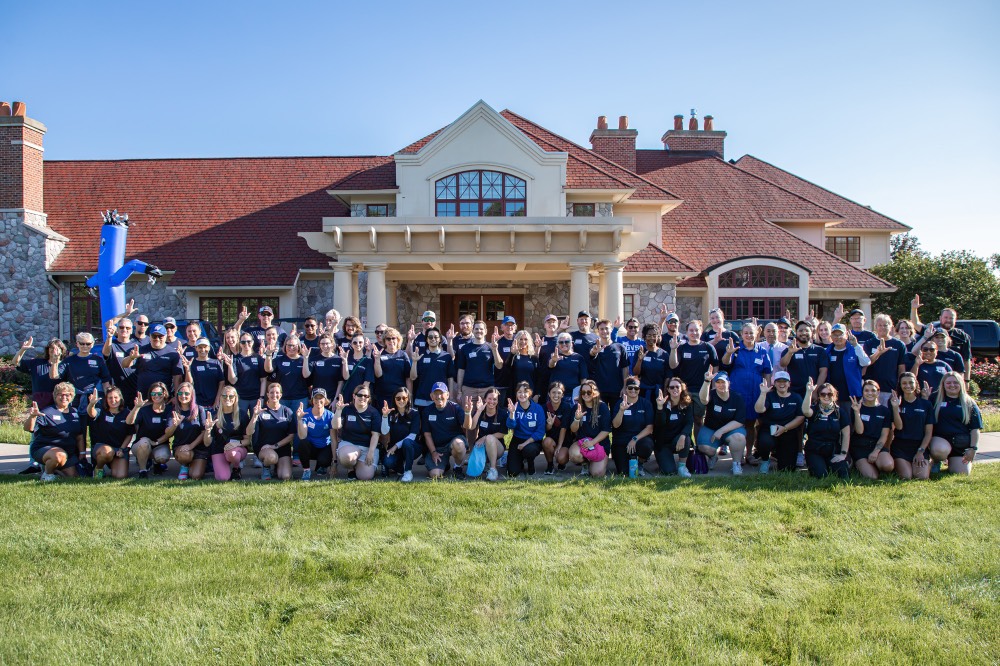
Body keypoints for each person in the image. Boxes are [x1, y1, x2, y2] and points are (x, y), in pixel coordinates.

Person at [722, 321, 772, 463]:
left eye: (751, 333)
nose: (749, 335)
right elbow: (725, 363)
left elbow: (767, 372)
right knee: (735, 422)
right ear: (741, 335)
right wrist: (728, 353)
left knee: (750, 424)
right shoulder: (736, 349)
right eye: (746, 333)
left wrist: (766, 391)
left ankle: (748, 454)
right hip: (737, 393)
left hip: (754, 394)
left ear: (756, 334)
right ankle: (735, 455)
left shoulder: (762, 351)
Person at [25, 382, 85, 481]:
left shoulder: (75, 413)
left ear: (72, 396)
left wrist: (82, 453)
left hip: (68, 453)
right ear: (55, 396)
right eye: (60, 394)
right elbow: (29, 429)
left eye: (67, 394)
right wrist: (32, 416)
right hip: (44, 449)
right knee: (59, 455)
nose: (64, 397)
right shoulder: (47, 412)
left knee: (73, 477)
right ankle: (47, 475)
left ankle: (52, 469)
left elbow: (79, 436)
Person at [669, 320, 718, 435]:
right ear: (686, 332)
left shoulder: (708, 347)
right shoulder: (682, 348)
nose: (694, 332)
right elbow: (673, 365)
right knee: (683, 420)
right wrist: (673, 349)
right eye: (691, 330)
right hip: (684, 391)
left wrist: (714, 387)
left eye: (696, 330)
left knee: (698, 419)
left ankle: (698, 449)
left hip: (701, 390)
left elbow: (715, 367)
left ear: (701, 331)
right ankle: (684, 446)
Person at [928, 372, 981, 475]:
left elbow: (975, 429)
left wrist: (973, 448)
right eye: (948, 383)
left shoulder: (969, 403)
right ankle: (936, 461)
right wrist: (925, 399)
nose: (952, 385)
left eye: (955, 382)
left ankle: (953, 461)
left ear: (961, 384)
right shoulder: (934, 398)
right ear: (943, 384)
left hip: (960, 444)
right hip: (940, 441)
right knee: (939, 450)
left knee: (962, 473)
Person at [697, 371, 748, 474]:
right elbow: (703, 400)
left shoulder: (737, 397)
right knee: (704, 447)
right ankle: (713, 456)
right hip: (711, 428)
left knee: (738, 438)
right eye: (718, 382)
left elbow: (739, 421)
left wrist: (721, 430)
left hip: (732, 429)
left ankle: (736, 464)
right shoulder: (711, 394)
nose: (720, 385)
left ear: (728, 383)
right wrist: (707, 381)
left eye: (723, 382)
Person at [910, 295, 972, 380]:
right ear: (940, 318)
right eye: (946, 317)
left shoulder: (963, 336)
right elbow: (916, 323)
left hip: (951, 380)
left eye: (951, 318)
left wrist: (966, 380)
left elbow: (966, 359)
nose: (948, 320)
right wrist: (914, 309)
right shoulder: (932, 330)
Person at [753, 371, 804, 473]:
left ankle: (781, 457)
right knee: (765, 442)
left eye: (784, 381)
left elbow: (800, 417)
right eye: (778, 381)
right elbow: (759, 409)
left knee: (787, 469)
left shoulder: (796, 397)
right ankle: (765, 460)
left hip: (788, 431)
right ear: (774, 383)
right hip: (769, 430)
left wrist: (785, 428)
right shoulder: (770, 396)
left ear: (789, 383)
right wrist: (763, 393)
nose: (782, 384)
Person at [421, 383, 473, 479]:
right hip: (438, 448)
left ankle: (457, 467)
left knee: (459, 445)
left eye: (442, 393)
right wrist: (433, 452)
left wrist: (468, 412)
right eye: (436, 393)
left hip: (454, 443)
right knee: (435, 475)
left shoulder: (455, 408)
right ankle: (445, 464)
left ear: (448, 395)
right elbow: (427, 434)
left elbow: (468, 426)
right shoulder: (427, 411)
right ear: (431, 396)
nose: (439, 396)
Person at [801, 382, 851, 480]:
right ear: (819, 396)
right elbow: (805, 411)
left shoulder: (840, 412)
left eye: (830, 394)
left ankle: (829, 465)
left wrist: (843, 454)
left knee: (844, 475)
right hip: (815, 450)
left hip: (833, 450)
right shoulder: (814, 410)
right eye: (823, 394)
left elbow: (846, 434)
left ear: (834, 395)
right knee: (821, 476)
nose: (826, 396)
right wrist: (809, 392)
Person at [889, 373, 934, 481]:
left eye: (911, 382)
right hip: (901, 446)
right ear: (900, 385)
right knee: (906, 476)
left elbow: (928, 432)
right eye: (904, 383)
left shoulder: (925, 404)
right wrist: (895, 408)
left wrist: (920, 451)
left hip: (919, 446)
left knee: (921, 477)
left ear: (916, 384)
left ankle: (931, 463)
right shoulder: (895, 402)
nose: (907, 386)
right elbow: (898, 427)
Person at [332, 385, 382, 480]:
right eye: (359, 395)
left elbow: (375, 435)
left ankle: (360, 465)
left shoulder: (374, 412)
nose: (362, 398)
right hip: (349, 444)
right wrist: (338, 411)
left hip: (367, 447)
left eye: (366, 396)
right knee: (347, 458)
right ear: (354, 396)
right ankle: (350, 469)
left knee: (366, 476)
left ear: (369, 398)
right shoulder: (346, 409)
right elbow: (335, 426)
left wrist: (371, 452)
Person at [246, 383, 296, 481]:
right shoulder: (261, 411)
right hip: (265, 448)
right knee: (271, 457)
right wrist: (255, 416)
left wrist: (275, 446)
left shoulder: (287, 411)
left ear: (281, 395)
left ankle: (277, 467)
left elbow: (291, 436)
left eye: (277, 392)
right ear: (267, 394)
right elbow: (248, 432)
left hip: (281, 448)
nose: (274, 395)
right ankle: (266, 467)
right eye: (271, 392)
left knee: (285, 477)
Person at [126, 382, 175, 478]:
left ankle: (157, 464)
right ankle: (143, 470)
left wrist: (156, 442)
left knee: (163, 457)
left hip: (159, 443)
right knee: (144, 442)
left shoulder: (169, 410)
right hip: (141, 444)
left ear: (164, 394)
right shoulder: (144, 410)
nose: (156, 396)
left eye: (159, 394)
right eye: (153, 394)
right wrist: (136, 407)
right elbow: (129, 422)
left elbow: (169, 433)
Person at [848, 380, 894, 479]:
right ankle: (860, 465)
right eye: (866, 390)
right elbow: (859, 431)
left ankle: (877, 463)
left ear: (878, 392)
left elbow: (884, 435)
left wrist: (875, 452)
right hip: (860, 446)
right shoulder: (856, 408)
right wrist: (857, 412)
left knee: (888, 466)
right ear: (863, 392)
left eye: (873, 390)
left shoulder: (885, 411)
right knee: (872, 477)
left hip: (877, 446)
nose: (870, 393)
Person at [122, 324, 183, 397]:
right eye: (154, 336)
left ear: (165, 336)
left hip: (163, 397)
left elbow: (177, 377)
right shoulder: (141, 350)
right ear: (150, 336)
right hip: (143, 396)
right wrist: (131, 358)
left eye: (160, 336)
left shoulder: (173, 353)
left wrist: (176, 397)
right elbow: (124, 365)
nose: (157, 339)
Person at [611, 376, 655, 476]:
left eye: (636, 388)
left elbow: (649, 428)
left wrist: (634, 439)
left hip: (639, 439)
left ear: (639, 390)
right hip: (622, 441)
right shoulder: (619, 403)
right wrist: (621, 411)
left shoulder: (646, 404)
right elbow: (615, 425)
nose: (633, 390)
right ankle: (630, 458)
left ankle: (640, 462)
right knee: (623, 473)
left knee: (646, 446)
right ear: (625, 389)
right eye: (630, 388)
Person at [86, 387, 133, 479]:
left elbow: (129, 434)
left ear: (120, 399)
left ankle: (112, 464)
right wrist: (91, 404)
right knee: (107, 452)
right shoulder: (101, 411)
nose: (113, 400)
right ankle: (98, 469)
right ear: (106, 400)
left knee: (120, 476)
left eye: (116, 397)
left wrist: (121, 449)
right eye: (110, 398)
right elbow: (92, 414)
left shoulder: (127, 413)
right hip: (102, 448)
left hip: (118, 449)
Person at [568, 379, 610, 478]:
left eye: (589, 392)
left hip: (599, 443)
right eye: (583, 392)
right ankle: (585, 464)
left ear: (594, 393)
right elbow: (573, 430)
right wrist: (577, 419)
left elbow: (606, 430)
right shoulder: (577, 408)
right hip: (582, 442)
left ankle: (595, 463)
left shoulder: (602, 407)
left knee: (597, 474)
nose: (585, 394)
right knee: (574, 455)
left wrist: (593, 442)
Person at [205, 385, 248, 481]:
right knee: (222, 478)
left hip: (236, 448)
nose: (227, 398)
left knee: (232, 454)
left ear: (235, 398)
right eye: (224, 396)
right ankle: (226, 467)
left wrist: (236, 444)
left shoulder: (242, 414)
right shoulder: (214, 415)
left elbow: (248, 440)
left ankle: (236, 468)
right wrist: (208, 430)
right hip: (219, 449)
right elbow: (207, 443)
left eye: (231, 396)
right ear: (220, 397)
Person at [166, 381, 207, 480]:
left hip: (197, 448)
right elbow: (168, 433)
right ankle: (184, 466)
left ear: (192, 395)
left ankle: (194, 465)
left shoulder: (199, 409)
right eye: (180, 393)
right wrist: (174, 426)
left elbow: (203, 432)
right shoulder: (173, 411)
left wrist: (191, 446)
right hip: (181, 448)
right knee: (185, 455)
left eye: (186, 393)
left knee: (196, 476)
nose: (183, 396)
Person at [505, 382, 547, 478]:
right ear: (516, 394)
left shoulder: (538, 408)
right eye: (519, 392)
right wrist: (512, 414)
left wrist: (525, 444)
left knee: (529, 450)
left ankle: (530, 462)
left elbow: (540, 432)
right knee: (512, 473)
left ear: (529, 394)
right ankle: (520, 461)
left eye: (525, 392)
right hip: (517, 439)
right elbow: (511, 426)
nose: (522, 394)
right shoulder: (514, 407)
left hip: (533, 441)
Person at [14, 337, 69, 409]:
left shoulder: (65, 365)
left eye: (57, 348)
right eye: (52, 348)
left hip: (59, 402)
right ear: (48, 350)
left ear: (62, 351)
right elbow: (16, 362)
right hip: (40, 403)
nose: (54, 350)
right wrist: (23, 349)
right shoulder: (37, 363)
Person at [862, 315, 906, 405]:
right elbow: (865, 364)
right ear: (876, 327)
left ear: (891, 327)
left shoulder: (899, 344)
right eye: (880, 325)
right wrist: (878, 353)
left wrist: (899, 387)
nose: (882, 327)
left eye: (885, 325)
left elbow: (901, 368)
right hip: (871, 389)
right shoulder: (869, 343)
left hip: (891, 389)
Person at [653, 379, 694, 477]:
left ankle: (682, 467)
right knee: (669, 471)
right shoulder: (662, 402)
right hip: (663, 443)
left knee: (686, 438)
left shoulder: (687, 404)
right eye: (672, 387)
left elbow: (689, 423)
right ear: (668, 389)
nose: (675, 389)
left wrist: (683, 435)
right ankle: (664, 459)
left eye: (677, 387)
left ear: (681, 389)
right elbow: (659, 424)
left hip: (678, 439)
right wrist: (660, 408)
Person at [467, 387, 509, 481]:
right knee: (473, 472)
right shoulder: (480, 411)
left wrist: (485, 437)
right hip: (481, 446)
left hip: (498, 447)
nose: (492, 401)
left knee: (490, 438)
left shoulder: (502, 414)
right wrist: (478, 411)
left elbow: (502, 434)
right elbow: (472, 427)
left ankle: (493, 469)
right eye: (489, 399)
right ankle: (485, 464)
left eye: (495, 399)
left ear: (498, 401)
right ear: (485, 399)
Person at [455, 320, 502, 404]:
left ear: (485, 331)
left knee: (486, 415)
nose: (479, 331)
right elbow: (461, 370)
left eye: (481, 329)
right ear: (473, 330)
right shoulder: (465, 348)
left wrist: (495, 350)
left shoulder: (491, 347)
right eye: (476, 329)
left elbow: (499, 366)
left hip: (487, 389)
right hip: (469, 389)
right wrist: (459, 391)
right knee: (468, 415)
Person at [380, 387, 421, 482]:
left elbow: (413, 436)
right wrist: (385, 416)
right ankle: (400, 467)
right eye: (398, 398)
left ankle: (408, 471)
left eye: (404, 398)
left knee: (407, 442)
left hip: (412, 447)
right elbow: (384, 432)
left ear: (408, 399)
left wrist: (396, 446)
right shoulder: (391, 413)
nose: (401, 400)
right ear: (394, 399)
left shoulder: (414, 413)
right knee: (388, 462)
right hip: (396, 450)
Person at [824, 324, 870, 407]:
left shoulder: (854, 349)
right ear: (831, 336)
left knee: (849, 419)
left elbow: (866, 362)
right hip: (831, 395)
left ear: (846, 335)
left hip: (851, 395)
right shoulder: (827, 351)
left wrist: (856, 345)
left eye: (840, 334)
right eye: (835, 335)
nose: (837, 337)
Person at [296, 388, 336, 481]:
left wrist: (334, 462)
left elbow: (334, 439)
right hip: (311, 447)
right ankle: (306, 470)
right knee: (302, 443)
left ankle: (322, 466)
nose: (318, 400)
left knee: (324, 459)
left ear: (325, 400)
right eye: (316, 398)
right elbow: (302, 436)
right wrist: (299, 420)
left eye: (321, 398)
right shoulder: (305, 414)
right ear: (312, 400)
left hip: (324, 446)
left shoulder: (330, 415)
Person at [780, 320, 829, 396]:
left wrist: (816, 391)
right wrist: (790, 353)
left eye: (806, 330)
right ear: (796, 332)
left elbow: (823, 372)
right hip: (793, 393)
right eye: (800, 330)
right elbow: (783, 364)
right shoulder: (789, 349)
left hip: (813, 393)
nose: (803, 333)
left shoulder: (820, 350)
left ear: (812, 332)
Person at [65, 332, 111, 408]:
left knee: (94, 418)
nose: (85, 346)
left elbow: (106, 382)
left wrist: (108, 400)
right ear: (77, 344)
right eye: (82, 343)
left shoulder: (99, 360)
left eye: (88, 344)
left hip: (95, 395)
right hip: (75, 397)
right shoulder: (69, 360)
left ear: (92, 344)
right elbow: (57, 377)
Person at [410, 327, 453, 409]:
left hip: (441, 399)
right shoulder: (420, 356)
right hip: (422, 400)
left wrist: (450, 396)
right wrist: (414, 362)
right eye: (430, 337)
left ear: (440, 339)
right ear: (426, 339)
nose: (433, 339)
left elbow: (450, 378)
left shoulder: (446, 356)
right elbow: (412, 377)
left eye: (436, 337)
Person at [229, 331, 267, 420]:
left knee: (256, 422)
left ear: (253, 342)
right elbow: (233, 381)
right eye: (243, 342)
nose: (246, 344)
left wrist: (261, 397)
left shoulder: (258, 358)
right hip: (241, 398)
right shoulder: (236, 359)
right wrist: (230, 366)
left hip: (256, 397)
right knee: (240, 422)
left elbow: (263, 380)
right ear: (240, 343)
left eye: (249, 341)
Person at [590, 319, 629, 407]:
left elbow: (625, 368)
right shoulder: (594, 347)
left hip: (617, 390)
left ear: (611, 329)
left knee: (615, 417)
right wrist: (594, 352)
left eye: (607, 328)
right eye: (601, 329)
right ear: (598, 331)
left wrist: (624, 386)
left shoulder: (620, 347)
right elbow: (591, 354)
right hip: (599, 390)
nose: (604, 331)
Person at [103, 317, 140, 408]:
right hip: (116, 391)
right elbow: (106, 353)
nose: (124, 330)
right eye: (121, 327)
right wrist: (109, 337)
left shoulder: (137, 345)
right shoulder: (112, 344)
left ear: (131, 330)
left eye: (127, 328)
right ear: (117, 329)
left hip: (134, 388)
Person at [373, 327, 412, 410]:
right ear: (384, 341)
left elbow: (408, 378)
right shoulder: (379, 354)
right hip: (383, 395)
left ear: (398, 339)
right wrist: (377, 359)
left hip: (400, 396)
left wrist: (409, 396)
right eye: (388, 339)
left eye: (393, 338)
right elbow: (378, 374)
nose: (391, 341)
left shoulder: (403, 354)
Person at [183, 338, 226, 412]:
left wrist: (217, 400)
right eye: (200, 347)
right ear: (196, 348)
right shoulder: (192, 363)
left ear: (209, 348)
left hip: (214, 404)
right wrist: (187, 369)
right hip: (197, 403)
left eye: (205, 347)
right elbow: (189, 384)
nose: (203, 349)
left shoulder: (216, 363)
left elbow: (221, 382)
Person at [541, 381, 574, 475]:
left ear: (563, 395)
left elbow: (564, 428)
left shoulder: (566, 407)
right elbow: (545, 429)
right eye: (553, 392)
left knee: (561, 459)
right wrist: (549, 424)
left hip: (564, 440)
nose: (556, 395)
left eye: (559, 393)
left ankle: (561, 463)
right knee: (546, 442)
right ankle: (550, 465)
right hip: (551, 438)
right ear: (549, 394)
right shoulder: (544, 408)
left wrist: (559, 445)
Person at [633, 324, 670, 403]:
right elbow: (635, 373)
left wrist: (665, 391)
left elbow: (668, 375)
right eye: (649, 335)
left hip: (659, 392)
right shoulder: (639, 352)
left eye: (654, 335)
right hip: (644, 392)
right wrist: (640, 360)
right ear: (644, 336)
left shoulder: (664, 354)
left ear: (658, 336)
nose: (652, 338)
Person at [303, 334, 345, 402]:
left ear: (332, 344)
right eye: (322, 344)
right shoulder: (314, 359)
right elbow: (306, 375)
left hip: (332, 398)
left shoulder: (338, 360)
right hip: (317, 398)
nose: (325, 346)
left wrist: (336, 399)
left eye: (327, 343)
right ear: (319, 345)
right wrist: (305, 358)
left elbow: (340, 382)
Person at [547, 332, 588, 400]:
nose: (564, 344)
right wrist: (554, 360)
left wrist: (581, 394)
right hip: (556, 394)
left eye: (567, 342)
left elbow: (583, 378)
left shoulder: (578, 357)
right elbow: (551, 365)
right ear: (557, 344)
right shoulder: (554, 356)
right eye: (561, 342)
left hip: (573, 395)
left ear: (571, 343)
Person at [503, 330, 538, 399]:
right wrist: (512, 353)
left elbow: (538, 377)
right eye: (521, 339)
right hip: (515, 394)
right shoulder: (513, 356)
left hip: (530, 393)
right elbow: (507, 370)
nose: (523, 341)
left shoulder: (533, 357)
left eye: (525, 339)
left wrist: (537, 394)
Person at [341, 332, 375, 400]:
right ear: (351, 344)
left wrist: (360, 396)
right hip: (347, 395)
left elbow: (367, 382)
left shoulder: (368, 360)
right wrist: (345, 362)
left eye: (360, 342)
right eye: (355, 342)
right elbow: (346, 377)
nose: (358, 344)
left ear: (363, 344)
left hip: (360, 396)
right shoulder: (347, 358)